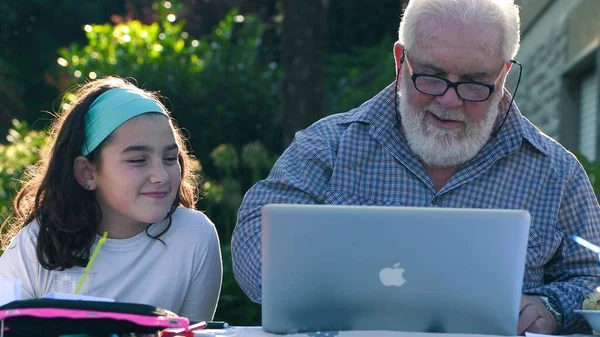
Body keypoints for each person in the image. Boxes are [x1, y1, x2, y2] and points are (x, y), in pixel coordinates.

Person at [231, 0, 600, 335]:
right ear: (400, 60)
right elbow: (252, 245)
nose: (449, 100)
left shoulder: (556, 173)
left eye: (474, 83)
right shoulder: (328, 147)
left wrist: (551, 308)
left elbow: (593, 276)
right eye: (431, 76)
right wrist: (310, 284)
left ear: (503, 74)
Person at [0, 76, 222, 322]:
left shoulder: (194, 235)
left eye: (170, 158)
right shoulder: (36, 244)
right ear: (87, 172)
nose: (161, 175)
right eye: (138, 160)